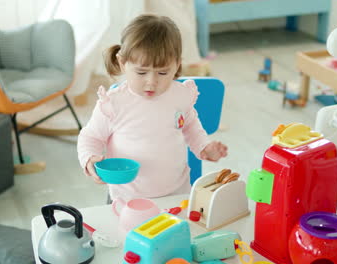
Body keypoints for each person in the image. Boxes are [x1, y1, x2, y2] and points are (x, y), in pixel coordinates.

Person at [77, 14, 227, 201]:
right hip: (127, 196)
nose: (151, 82)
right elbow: (90, 137)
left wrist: (204, 147)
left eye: (163, 72)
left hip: (176, 193)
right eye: (141, 72)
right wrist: (90, 158)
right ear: (123, 63)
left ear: (177, 65)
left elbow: (190, 127)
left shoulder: (180, 95)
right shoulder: (114, 103)